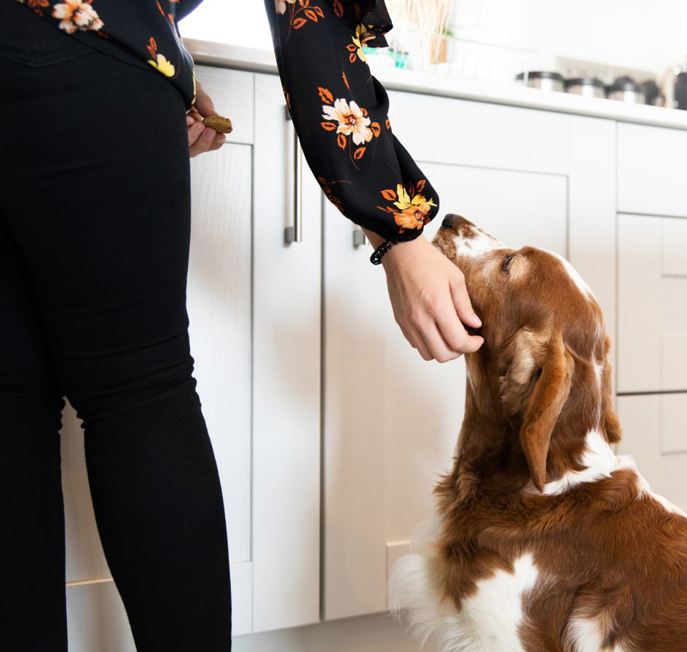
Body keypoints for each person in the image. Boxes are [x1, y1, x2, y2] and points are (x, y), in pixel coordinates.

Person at [0, 1, 482, 649]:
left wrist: (163, 55)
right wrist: (398, 233)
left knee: (11, 409)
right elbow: (312, 16)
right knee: (137, 396)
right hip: (80, 35)